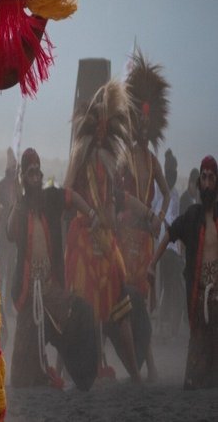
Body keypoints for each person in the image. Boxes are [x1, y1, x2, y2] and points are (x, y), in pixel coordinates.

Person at [65, 78, 156, 383]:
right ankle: (71, 371)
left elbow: (120, 198)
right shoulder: (80, 157)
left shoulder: (110, 166)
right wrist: (89, 212)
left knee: (121, 310)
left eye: (107, 125)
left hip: (107, 243)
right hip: (83, 241)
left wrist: (149, 214)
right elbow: (67, 192)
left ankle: (135, 373)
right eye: (100, 125)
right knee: (82, 310)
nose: (103, 131)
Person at [6, 148, 95, 388]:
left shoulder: (50, 198)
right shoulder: (21, 207)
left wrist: (91, 213)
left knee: (81, 314)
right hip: (28, 294)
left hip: (51, 289)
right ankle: (40, 372)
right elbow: (11, 232)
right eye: (30, 173)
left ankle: (83, 377)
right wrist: (16, 201)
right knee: (20, 378)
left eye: (37, 172)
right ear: (25, 177)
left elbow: (72, 196)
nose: (35, 177)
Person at [117, 49, 170, 381]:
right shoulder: (124, 156)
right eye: (141, 120)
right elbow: (118, 194)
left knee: (143, 300)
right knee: (128, 301)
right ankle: (139, 364)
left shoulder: (152, 161)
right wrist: (145, 211)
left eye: (148, 123)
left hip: (145, 242)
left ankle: (148, 364)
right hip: (125, 238)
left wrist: (160, 216)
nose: (144, 126)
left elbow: (167, 192)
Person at [148, 154, 218, 389]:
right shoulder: (192, 216)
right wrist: (152, 263)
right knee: (193, 375)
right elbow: (170, 234)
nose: (206, 183)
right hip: (198, 297)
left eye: (211, 178)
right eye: (204, 178)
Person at [156, 149, 185, 340]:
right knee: (161, 286)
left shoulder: (175, 193)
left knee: (171, 287)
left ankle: (168, 326)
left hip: (173, 249)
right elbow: (153, 213)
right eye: (170, 169)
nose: (172, 173)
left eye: (174, 169)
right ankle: (161, 325)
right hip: (160, 247)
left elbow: (177, 220)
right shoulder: (158, 190)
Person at [0, 148, 21, 335]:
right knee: (2, 270)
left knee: (11, 270)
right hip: (5, 235)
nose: (15, 171)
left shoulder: (18, 186)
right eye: (13, 169)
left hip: (15, 236)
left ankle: (8, 305)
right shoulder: (1, 186)